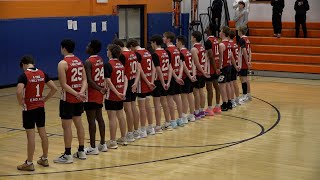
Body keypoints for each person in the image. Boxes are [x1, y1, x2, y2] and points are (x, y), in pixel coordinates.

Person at [16, 56, 57, 171]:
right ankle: (44, 158)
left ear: (24, 64)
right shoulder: (42, 73)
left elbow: (19, 91)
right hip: (40, 108)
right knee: (43, 132)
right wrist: (44, 100)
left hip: (29, 109)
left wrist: (21, 102)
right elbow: (54, 88)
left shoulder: (24, 76)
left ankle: (29, 163)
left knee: (31, 136)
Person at [54, 39, 88, 164]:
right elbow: (85, 80)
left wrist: (76, 94)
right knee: (79, 124)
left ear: (63, 48)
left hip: (68, 99)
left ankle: (68, 154)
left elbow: (63, 85)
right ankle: (81, 151)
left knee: (67, 127)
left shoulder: (62, 63)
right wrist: (81, 93)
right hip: (79, 98)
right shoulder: (79, 61)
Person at [126, 39, 156, 137]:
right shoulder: (147, 52)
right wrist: (151, 81)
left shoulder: (137, 54)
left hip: (142, 83)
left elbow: (140, 70)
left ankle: (142, 129)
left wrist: (147, 82)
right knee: (148, 106)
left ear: (131, 47)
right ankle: (150, 128)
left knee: (142, 107)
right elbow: (153, 67)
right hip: (149, 81)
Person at [112, 39, 140, 142]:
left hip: (127, 83)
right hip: (133, 81)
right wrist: (136, 82)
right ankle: (135, 131)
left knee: (128, 109)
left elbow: (121, 72)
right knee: (133, 107)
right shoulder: (133, 53)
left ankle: (129, 133)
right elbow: (138, 70)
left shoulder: (123, 55)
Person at [83, 40, 107, 155]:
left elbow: (89, 80)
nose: (86, 47)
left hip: (92, 94)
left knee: (91, 121)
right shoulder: (100, 59)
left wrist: (98, 89)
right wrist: (101, 89)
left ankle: (93, 147)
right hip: (99, 93)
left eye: (88, 45)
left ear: (92, 48)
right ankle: (102, 143)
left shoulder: (88, 62)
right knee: (100, 118)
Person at [104, 44, 128, 148]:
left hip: (112, 95)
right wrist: (123, 91)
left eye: (107, 50)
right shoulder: (121, 64)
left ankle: (113, 141)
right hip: (120, 93)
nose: (106, 52)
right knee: (121, 116)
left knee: (112, 118)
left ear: (110, 52)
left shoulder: (108, 65)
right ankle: (123, 138)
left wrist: (117, 93)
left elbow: (108, 81)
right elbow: (126, 78)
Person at [163, 32, 185, 128]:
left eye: (164, 37)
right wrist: (179, 76)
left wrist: (175, 78)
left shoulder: (167, 51)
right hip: (177, 76)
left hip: (171, 77)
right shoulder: (177, 49)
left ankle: (172, 121)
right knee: (177, 98)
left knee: (170, 99)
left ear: (168, 39)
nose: (163, 39)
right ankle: (180, 119)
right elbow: (181, 64)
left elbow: (170, 66)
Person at [150, 34, 172, 133]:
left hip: (159, 80)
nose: (151, 45)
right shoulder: (166, 52)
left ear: (155, 43)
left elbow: (158, 69)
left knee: (157, 104)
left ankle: (158, 126)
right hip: (166, 78)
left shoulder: (155, 54)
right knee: (164, 102)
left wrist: (162, 83)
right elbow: (170, 67)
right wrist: (168, 82)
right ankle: (168, 122)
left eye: (151, 43)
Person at [176, 35, 196, 122]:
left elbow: (184, 66)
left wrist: (189, 76)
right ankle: (191, 115)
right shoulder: (188, 51)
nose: (175, 43)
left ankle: (184, 116)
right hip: (190, 75)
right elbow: (193, 63)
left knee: (184, 96)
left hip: (185, 76)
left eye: (176, 42)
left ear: (180, 42)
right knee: (190, 95)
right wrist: (193, 75)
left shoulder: (181, 53)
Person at [191, 31, 210, 119]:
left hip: (198, 73)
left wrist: (202, 72)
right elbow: (205, 60)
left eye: (192, 36)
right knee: (201, 91)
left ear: (194, 37)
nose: (191, 38)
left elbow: (197, 63)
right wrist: (205, 71)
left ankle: (197, 111)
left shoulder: (194, 49)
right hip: (202, 72)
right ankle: (202, 110)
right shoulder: (202, 47)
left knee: (196, 93)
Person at [204, 23, 222, 116]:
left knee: (209, 88)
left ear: (210, 30)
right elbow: (218, 54)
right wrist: (218, 67)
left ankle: (210, 108)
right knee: (216, 86)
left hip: (211, 68)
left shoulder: (208, 41)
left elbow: (211, 56)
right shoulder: (216, 40)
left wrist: (215, 69)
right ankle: (218, 106)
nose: (206, 29)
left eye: (207, 27)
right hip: (216, 65)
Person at [218, 26, 233, 111]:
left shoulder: (222, 44)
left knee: (222, 86)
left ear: (223, 33)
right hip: (229, 66)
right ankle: (229, 102)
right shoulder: (229, 44)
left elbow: (220, 58)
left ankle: (224, 104)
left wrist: (219, 67)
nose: (219, 33)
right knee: (228, 84)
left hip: (223, 67)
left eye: (220, 31)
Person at [238, 25, 252, 102]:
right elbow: (250, 51)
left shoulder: (241, 40)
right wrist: (249, 61)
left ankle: (244, 96)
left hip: (242, 62)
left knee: (243, 79)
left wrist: (246, 61)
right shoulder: (247, 39)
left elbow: (244, 52)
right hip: (246, 62)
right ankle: (248, 95)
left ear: (240, 31)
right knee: (246, 79)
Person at [229, 30, 242, 106]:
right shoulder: (235, 44)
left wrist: (235, 65)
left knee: (231, 83)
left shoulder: (229, 44)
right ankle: (237, 99)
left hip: (232, 65)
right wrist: (238, 65)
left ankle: (232, 100)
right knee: (235, 82)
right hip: (236, 64)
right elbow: (239, 55)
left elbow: (231, 57)